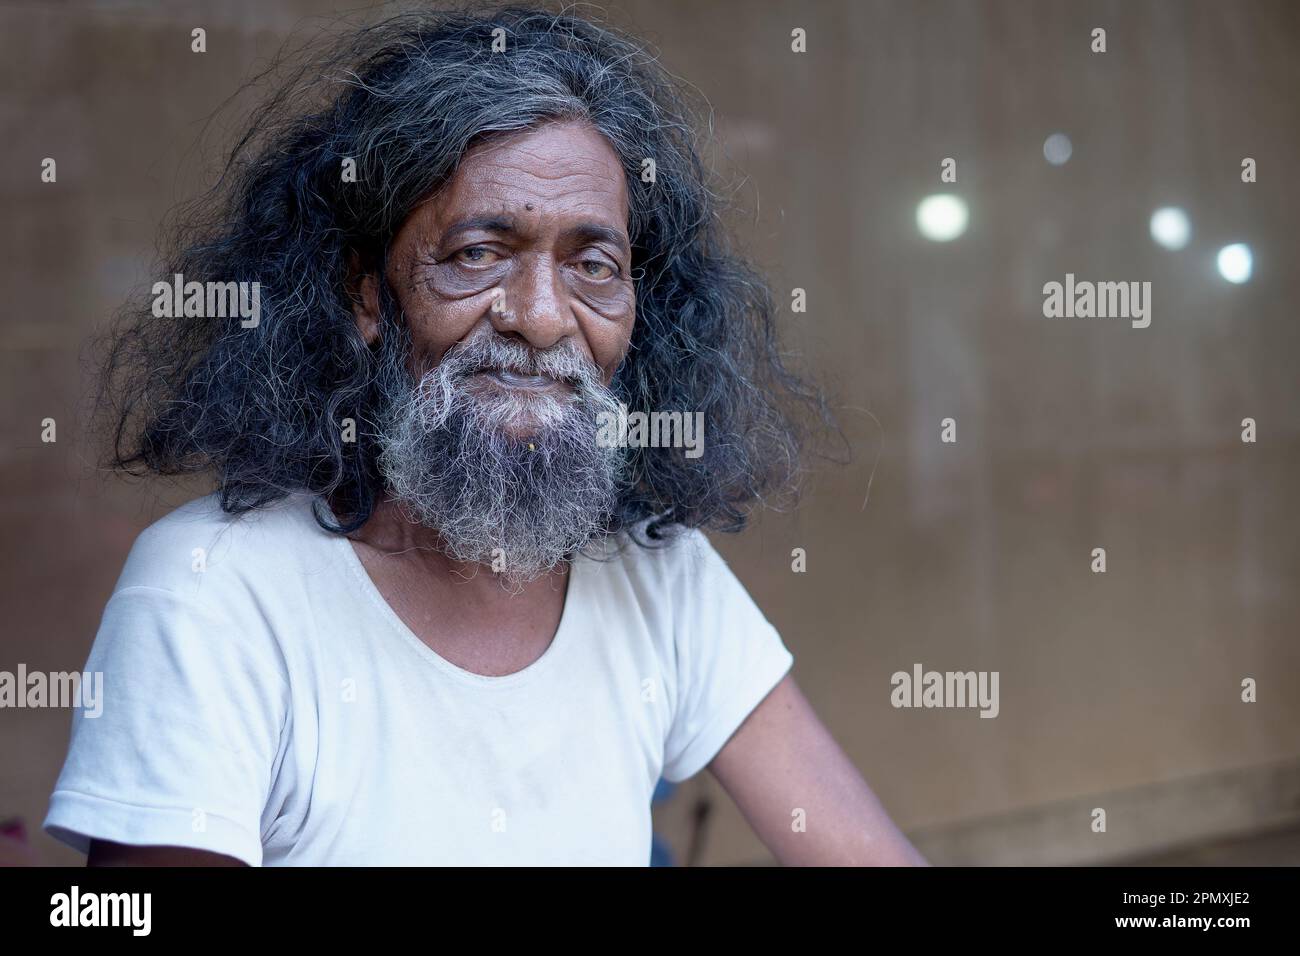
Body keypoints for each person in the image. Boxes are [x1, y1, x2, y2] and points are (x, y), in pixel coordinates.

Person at [44, 7, 925, 866]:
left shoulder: (661, 575)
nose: (542, 320)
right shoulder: (213, 594)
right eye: (477, 253)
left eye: (593, 266)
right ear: (365, 296)